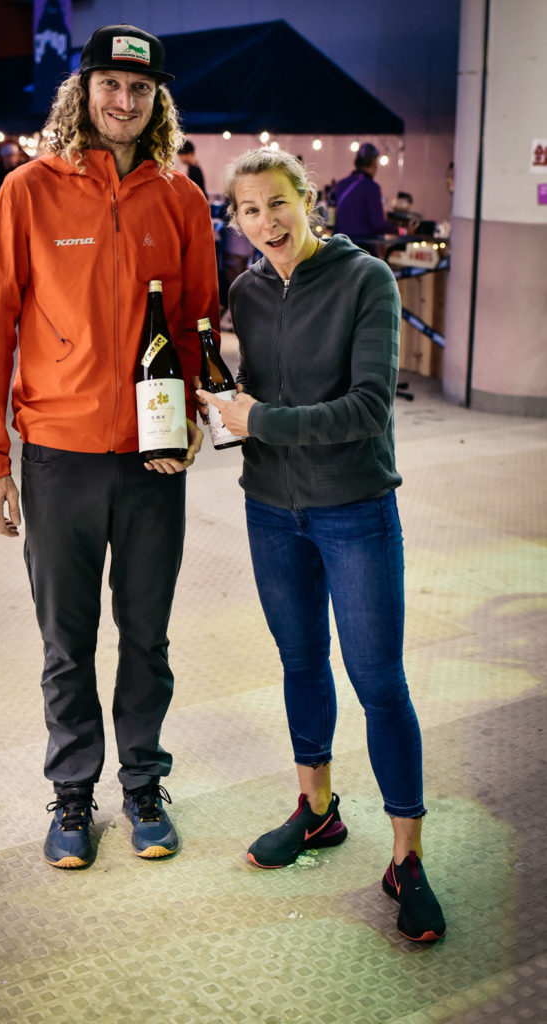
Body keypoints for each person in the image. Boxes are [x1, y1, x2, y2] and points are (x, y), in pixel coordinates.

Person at [0, 23, 219, 870]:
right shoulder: (28, 192)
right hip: (59, 456)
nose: (124, 100)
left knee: (147, 637)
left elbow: (198, 321)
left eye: (141, 89)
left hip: (153, 459)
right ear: (82, 92)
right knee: (66, 642)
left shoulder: (181, 197)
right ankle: (72, 794)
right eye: (110, 83)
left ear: (158, 101)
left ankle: (143, 785)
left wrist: (191, 418)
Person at [196, 148, 446, 943]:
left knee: (379, 682)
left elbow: (369, 408)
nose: (266, 222)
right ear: (236, 220)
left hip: (354, 508)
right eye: (249, 210)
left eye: (278, 203)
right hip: (271, 510)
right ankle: (317, 810)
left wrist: (260, 420)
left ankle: (407, 858)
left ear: (308, 200)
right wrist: (218, 413)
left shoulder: (365, 279)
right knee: (301, 662)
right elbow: (252, 396)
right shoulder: (245, 291)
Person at [333, 142, 397, 245]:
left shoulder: (341, 184)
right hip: (363, 247)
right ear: (373, 162)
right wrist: (401, 231)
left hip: (342, 246)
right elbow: (378, 225)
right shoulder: (372, 187)